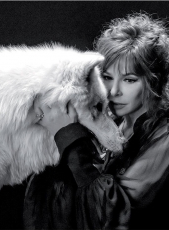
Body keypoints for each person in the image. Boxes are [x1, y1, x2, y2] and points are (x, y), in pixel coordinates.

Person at [23, 13, 169, 229]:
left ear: (153, 83)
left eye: (129, 80)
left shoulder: (165, 136)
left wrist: (69, 136)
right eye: (107, 77)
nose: (114, 91)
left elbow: (116, 212)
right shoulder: (111, 123)